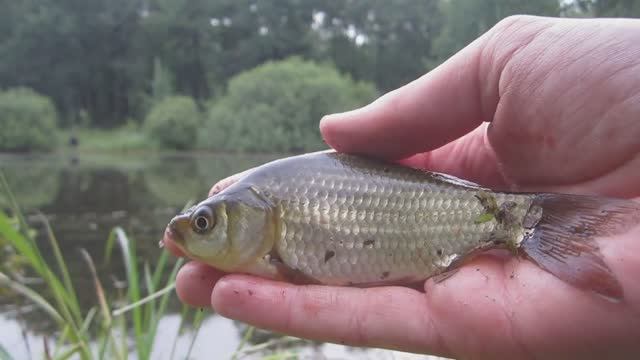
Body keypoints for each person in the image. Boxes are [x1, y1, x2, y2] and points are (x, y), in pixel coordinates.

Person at [168, 16, 640, 359]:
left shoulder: (273, 197)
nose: (195, 232)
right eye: (201, 224)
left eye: (204, 223)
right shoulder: (269, 199)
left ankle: (541, 224)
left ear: (255, 217)